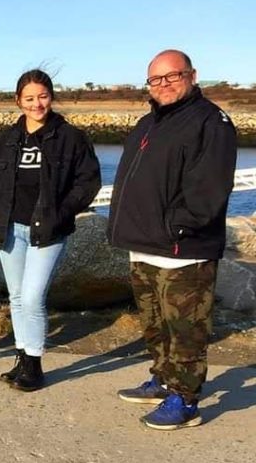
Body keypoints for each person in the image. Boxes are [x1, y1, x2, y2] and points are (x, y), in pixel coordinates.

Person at [108, 50, 236, 430]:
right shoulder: (150, 122)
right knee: (154, 322)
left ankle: (186, 399)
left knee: (186, 328)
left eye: (171, 76)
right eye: (155, 79)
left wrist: (176, 226)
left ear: (192, 75)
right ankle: (163, 379)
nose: (163, 85)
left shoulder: (211, 122)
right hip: (144, 244)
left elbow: (210, 188)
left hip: (183, 249)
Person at [0, 69, 100, 390]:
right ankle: (22, 357)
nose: (37, 104)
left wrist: (62, 212)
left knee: (34, 296)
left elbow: (88, 181)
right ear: (18, 101)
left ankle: (35, 364)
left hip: (48, 230)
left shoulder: (70, 138)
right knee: (17, 297)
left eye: (42, 96)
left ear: (51, 96)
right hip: (11, 228)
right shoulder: (9, 139)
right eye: (29, 98)